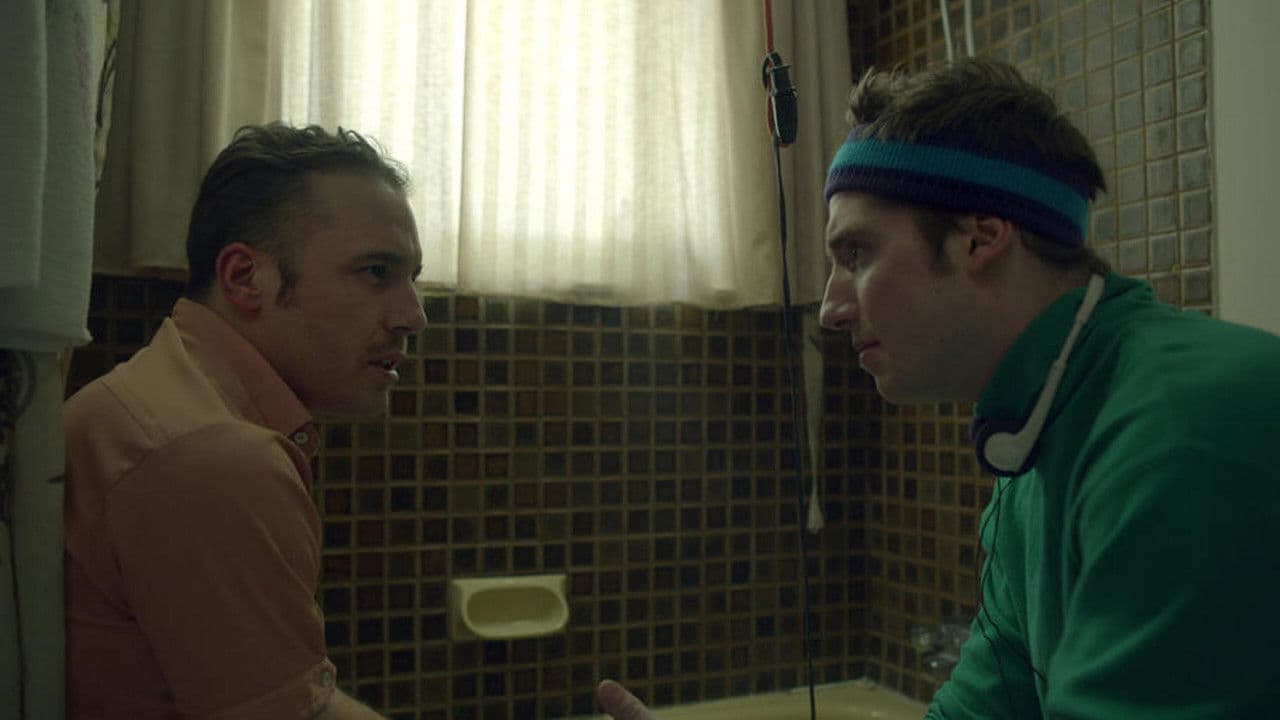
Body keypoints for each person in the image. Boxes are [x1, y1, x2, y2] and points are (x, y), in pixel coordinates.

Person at [597, 57, 1280, 719]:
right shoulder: (1037, 440)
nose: (831, 308)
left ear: (980, 237)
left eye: (856, 253)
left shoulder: (1178, 433)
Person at [64, 124, 426, 719]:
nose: (413, 315)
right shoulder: (209, 455)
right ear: (243, 277)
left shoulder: (165, 400)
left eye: (412, 278)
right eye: (375, 272)